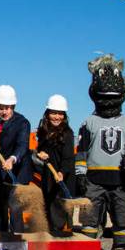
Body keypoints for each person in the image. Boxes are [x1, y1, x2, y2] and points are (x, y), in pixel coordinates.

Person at [76, 54, 125, 250]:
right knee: (89, 217)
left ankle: (120, 248)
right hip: (94, 179)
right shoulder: (89, 121)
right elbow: (82, 150)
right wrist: (80, 174)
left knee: (122, 215)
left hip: (121, 180)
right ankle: (86, 247)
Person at [0, 85, 33, 234]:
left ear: (13, 106)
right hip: (0, 166)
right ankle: (1, 234)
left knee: (15, 205)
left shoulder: (23, 123)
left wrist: (12, 159)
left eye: (7, 108)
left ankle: (17, 238)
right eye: (1, 108)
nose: (4, 112)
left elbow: (23, 146)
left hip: (19, 168)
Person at [32, 95, 76, 235]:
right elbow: (40, 149)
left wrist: (62, 172)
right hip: (49, 176)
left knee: (61, 209)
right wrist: (40, 153)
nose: (57, 117)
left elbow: (68, 158)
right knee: (48, 205)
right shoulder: (43, 131)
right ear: (47, 114)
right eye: (53, 113)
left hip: (64, 177)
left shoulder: (68, 133)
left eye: (60, 114)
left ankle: (63, 234)